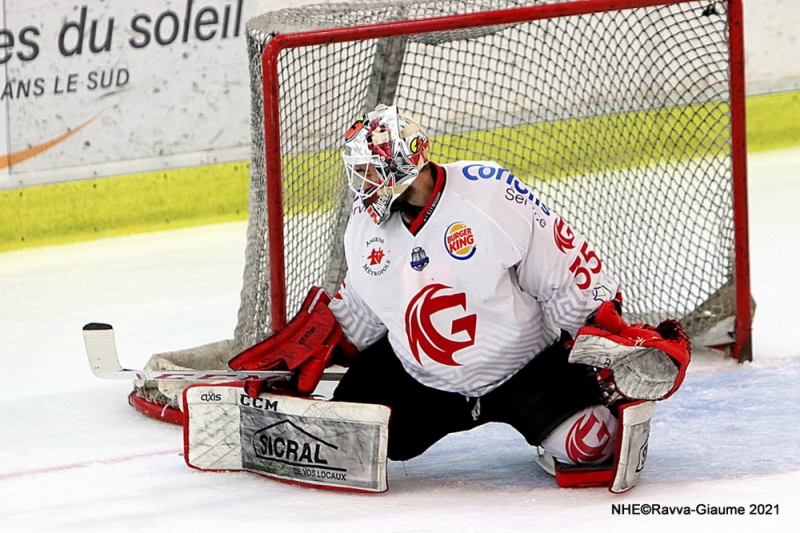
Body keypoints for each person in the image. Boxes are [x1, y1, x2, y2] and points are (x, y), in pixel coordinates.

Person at [231, 104, 690, 489]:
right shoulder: (364, 226)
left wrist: (601, 325)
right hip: (418, 380)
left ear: (402, 166)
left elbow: (561, 267)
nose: (362, 181)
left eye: (370, 169)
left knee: (594, 447)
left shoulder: (488, 192)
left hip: (523, 370)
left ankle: (589, 404)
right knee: (345, 441)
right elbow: (366, 308)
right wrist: (323, 342)